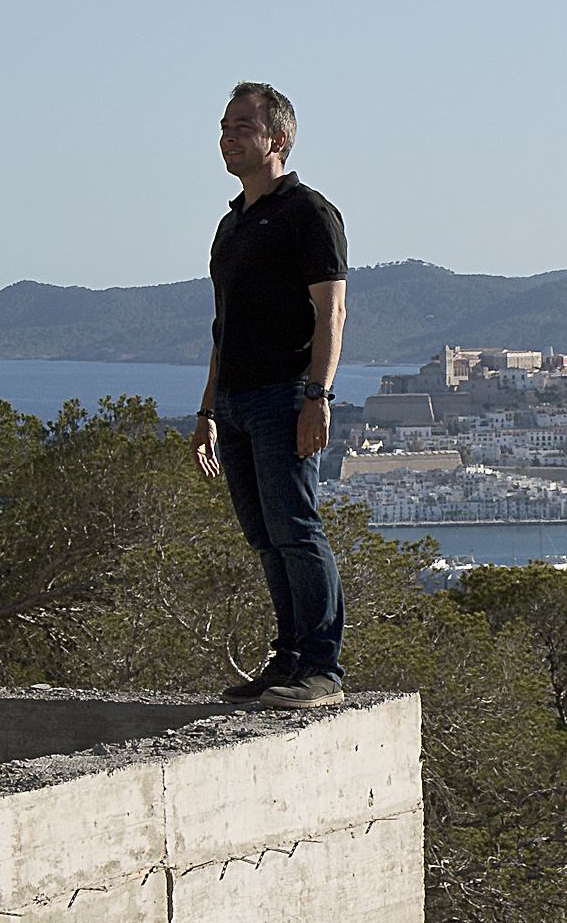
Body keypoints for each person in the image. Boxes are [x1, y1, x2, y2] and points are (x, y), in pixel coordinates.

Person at [190, 81, 349, 709]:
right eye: (225, 126)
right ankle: (286, 660)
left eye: (241, 127)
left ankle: (321, 667)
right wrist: (207, 410)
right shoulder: (231, 225)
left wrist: (319, 395)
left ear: (277, 139)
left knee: (298, 529)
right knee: (264, 535)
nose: (227, 137)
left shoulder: (309, 213)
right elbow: (222, 329)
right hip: (234, 403)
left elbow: (331, 312)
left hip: (284, 396)